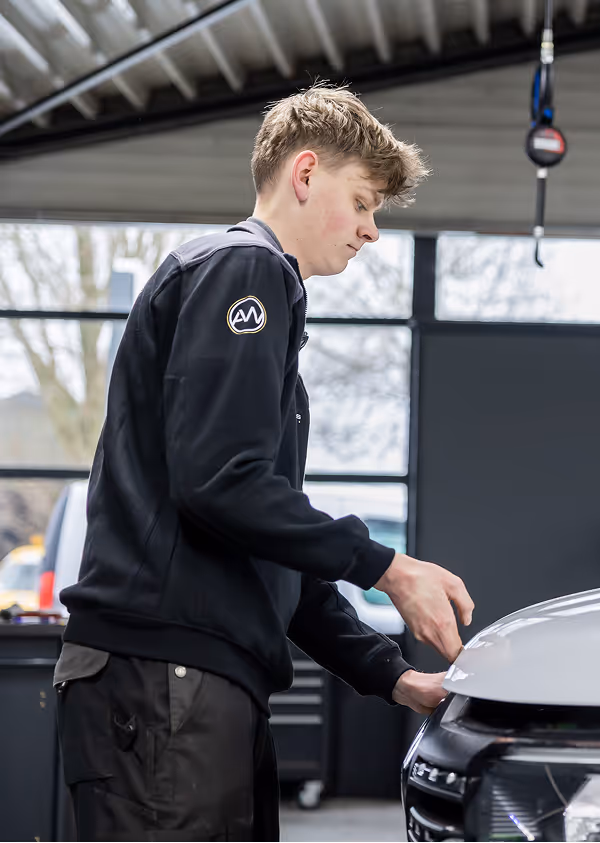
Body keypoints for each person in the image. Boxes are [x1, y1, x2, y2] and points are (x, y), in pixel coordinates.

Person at [54, 83, 474, 840]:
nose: (372, 230)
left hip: (192, 684)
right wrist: (387, 568)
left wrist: (392, 674)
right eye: (363, 201)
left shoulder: (248, 299)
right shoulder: (245, 268)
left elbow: (266, 541)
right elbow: (222, 482)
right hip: (164, 682)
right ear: (305, 174)